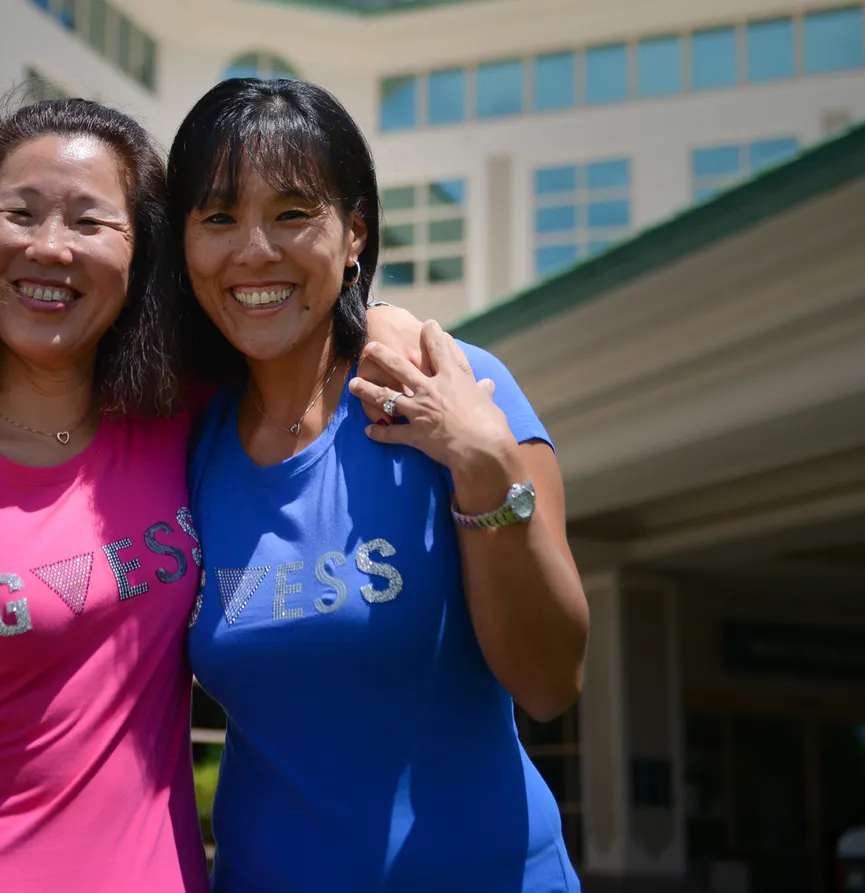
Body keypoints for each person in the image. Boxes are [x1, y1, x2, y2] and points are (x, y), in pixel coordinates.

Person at [0, 97, 425, 892]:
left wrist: (388, 325)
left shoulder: (185, 423)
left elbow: (305, 336)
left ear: (142, 254)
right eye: (20, 213)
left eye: (90, 222)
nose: (50, 246)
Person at [175, 79, 589, 892]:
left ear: (354, 231)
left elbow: (550, 683)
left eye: (293, 213)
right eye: (218, 217)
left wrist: (486, 468)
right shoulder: (184, 440)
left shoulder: (455, 385)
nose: (253, 249)